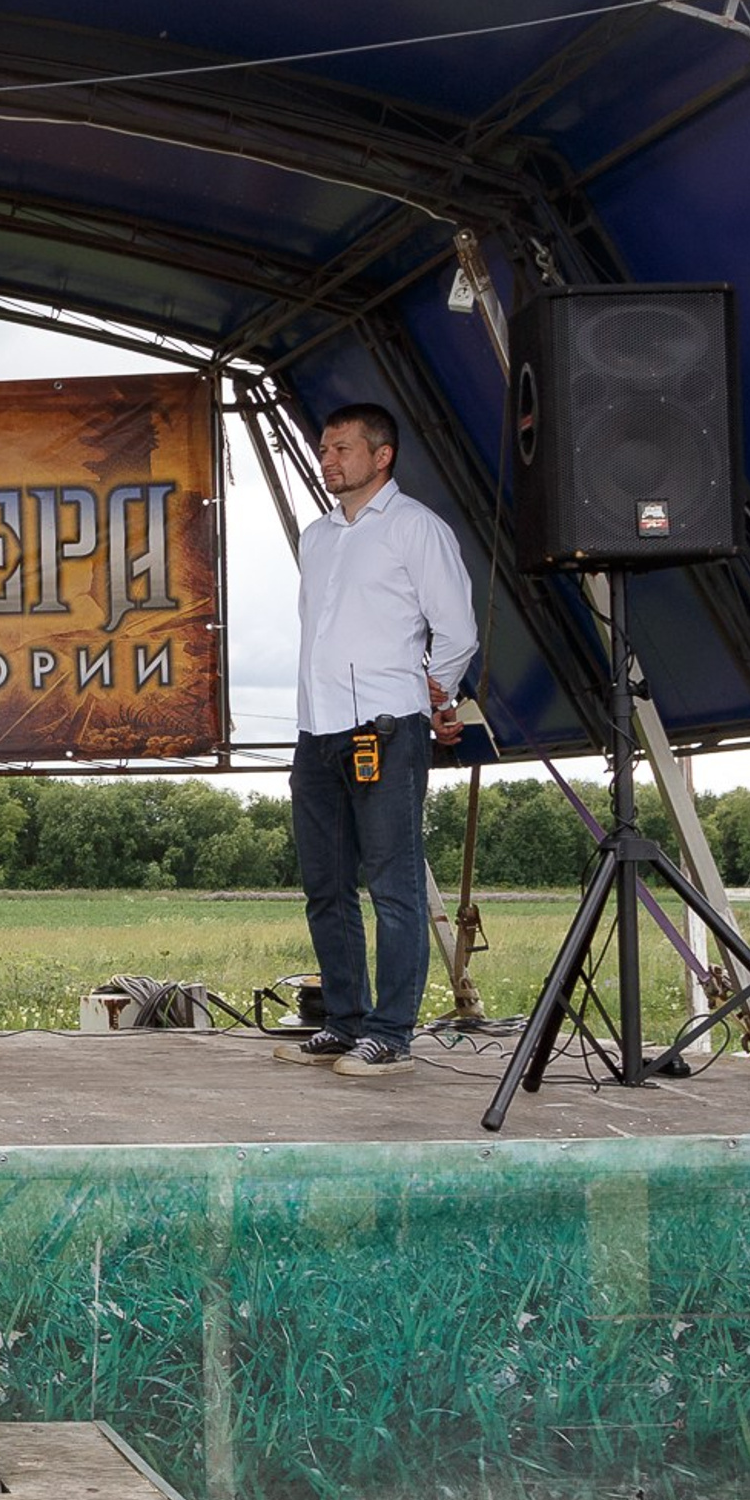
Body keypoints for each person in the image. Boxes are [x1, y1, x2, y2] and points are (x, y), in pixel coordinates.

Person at [275, 401, 477, 1081]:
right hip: (317, 731)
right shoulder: (317, 536)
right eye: (323, 450)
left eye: (341, 450)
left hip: (386, 729)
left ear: (381, 455)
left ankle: (391, 1032)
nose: (328, 461)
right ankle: (345, 1019)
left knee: (394, 887)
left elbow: (456, 630)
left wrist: (435, 691)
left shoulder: (417, 529)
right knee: (325, 885)